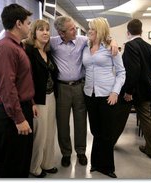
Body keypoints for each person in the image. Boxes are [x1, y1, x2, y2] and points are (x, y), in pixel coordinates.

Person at [49, 16, 118, 167]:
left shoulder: (82, 41)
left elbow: (101, 35)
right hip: (62, 88)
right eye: (72, 28)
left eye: (75, 27)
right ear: (61, 32)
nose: (76, 30)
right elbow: (35, 42)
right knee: (62, 122)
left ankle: (81, 152)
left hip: (80, 87)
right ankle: (66, 153)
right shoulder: (52, 43)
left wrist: (112, 41)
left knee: (81, 121)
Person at [0, 4, 35, 177]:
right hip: (11, 117)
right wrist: (19, 118)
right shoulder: (6, 48)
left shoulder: (17, 46)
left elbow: (21, 80)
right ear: (18, 23)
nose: (30, 27)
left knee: (22, 161)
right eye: (28, 23)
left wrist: (30, 104)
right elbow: (7, 88)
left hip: (21, 109)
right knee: (13, 167)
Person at [82, 17, 126, 178]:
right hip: (89, 94)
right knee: (95, 130)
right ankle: (95, 163)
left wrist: (115, 92)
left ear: (100, 30)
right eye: (89, 29)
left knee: (107, 132)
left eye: (92, 29)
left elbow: (121, 73)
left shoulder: (111, 48)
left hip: (107, 95)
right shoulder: (85, 46)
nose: (89, 31)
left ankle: (107, 167)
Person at [24, 20, 59, 178]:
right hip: (38, 100)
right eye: (41, 30)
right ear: (34, 33)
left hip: (51, 96)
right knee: (40, 135)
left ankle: (48, 163)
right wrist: (31, 102)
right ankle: (35, 166)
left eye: (47, 30)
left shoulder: (48, 51)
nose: (45, 32)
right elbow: (26, 79)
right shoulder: (29, 51)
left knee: (51, 132)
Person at [121, 19, 151, 159]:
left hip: (133, 90)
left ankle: (109, 144)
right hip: (146, 88)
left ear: (128, 32)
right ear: (141, 31)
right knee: (146, 119)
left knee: (118, 117)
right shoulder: (148, 46)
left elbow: (133, 71)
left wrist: (129, 91)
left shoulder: (129, 46)